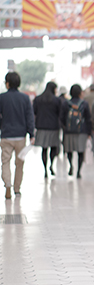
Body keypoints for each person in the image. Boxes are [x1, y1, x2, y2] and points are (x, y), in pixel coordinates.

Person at [0, 71, 35, 199]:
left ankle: (7, 184)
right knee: (19, 163)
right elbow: (29, 117)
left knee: (5, 162)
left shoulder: (1, 97)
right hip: (21, 136)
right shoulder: (25, 98)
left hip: (6, 135)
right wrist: (31, 134)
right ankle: (17, 189)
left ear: (8, 84)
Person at [60, 84, 91, 179]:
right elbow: (88, 118)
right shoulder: (84, 104)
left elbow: (61, 118)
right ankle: (78, 171)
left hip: (69, 132)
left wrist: (65, 128)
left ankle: (71, 165)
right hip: (81, 131)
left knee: (69, 150)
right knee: (80, 151)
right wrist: (89, 132)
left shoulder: (66, 103)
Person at [33, 81, 61, 178]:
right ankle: (51, 165)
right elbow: (59, 113)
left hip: (41, 127)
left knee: (44, 149)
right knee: (54, 147)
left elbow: (34, 111)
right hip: (53, 127)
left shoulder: (38, 99)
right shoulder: (56, 100)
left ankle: (45, 169)